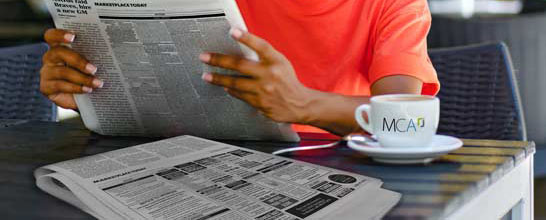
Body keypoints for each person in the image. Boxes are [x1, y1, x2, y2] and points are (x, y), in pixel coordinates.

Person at [40, 0, 439, 136]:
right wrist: (94, 90)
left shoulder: (396, 5)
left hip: (338, 173)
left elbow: (411, 123)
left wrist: (305, 105)